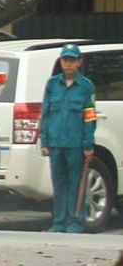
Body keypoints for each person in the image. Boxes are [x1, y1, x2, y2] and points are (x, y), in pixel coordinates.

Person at [42, 43, 98, 233]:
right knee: (59, 184)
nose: (68, 64)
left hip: (76, 143)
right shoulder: (52, 84)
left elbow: (90, 116)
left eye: (72, 60)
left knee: (76, 184)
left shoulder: (86, 86)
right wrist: (44, 140)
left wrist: (88, 143)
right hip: (56, 142)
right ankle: (59, 221)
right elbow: (46, 113)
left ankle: (75, 221)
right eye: (65, 60)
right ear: (61, 61)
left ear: (79, 62)